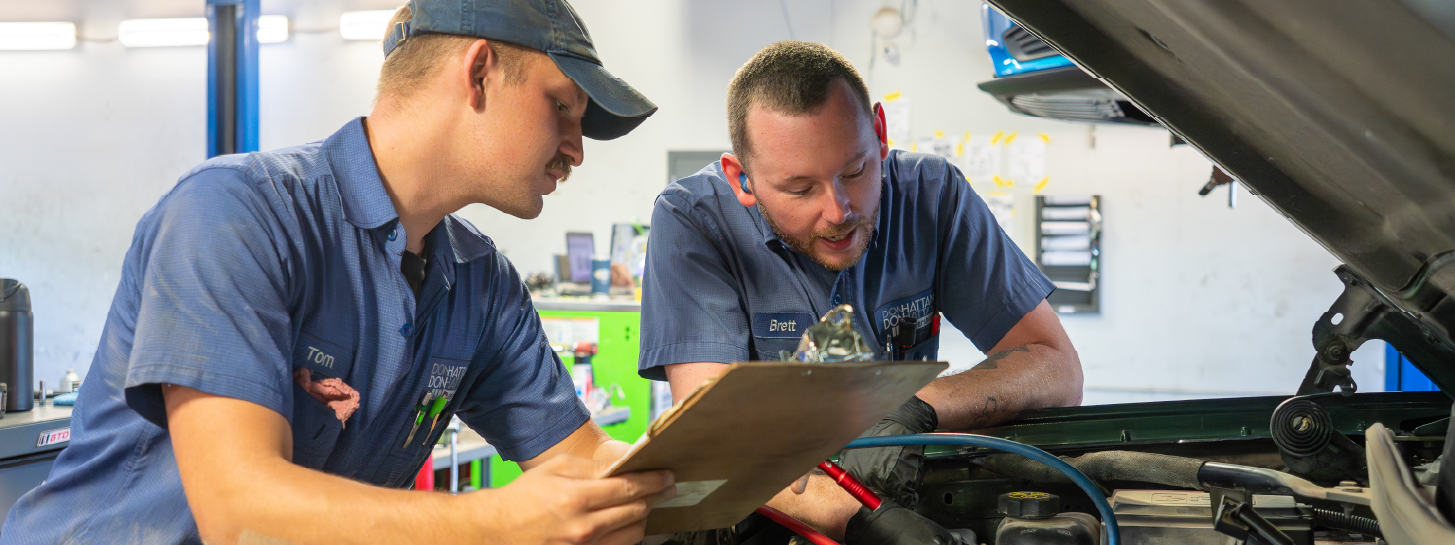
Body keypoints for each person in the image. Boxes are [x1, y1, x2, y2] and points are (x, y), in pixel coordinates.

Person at [1, 1, 675, 543]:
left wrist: (747, 465)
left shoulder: (480, 282)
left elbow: (579, 459)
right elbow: (241, 517)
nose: (575, 151)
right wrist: (505, 521)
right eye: (562, 107)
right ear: (478, 74)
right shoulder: (233, 214)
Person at [638, 41, 1083, 544]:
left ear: (880, 131)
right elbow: (713, 436)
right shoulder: (693, 221)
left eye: (854, 171)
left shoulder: (933, 197)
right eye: (800, 189)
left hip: (899, 496)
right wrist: (854, 519)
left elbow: (1057, 367)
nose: (839, 210)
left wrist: (916, 401)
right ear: (743, 180)